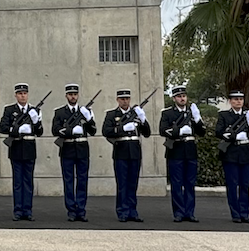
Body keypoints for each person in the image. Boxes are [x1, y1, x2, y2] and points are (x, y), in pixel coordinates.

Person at [158, 86, 205, 222]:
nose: (182, 98)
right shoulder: (167, 113)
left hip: (190, 151)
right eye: (179, 96)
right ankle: (179, 212)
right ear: (174, 98)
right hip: (176, 150)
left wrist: (198, 119)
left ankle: (190, 212)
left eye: (184, 96)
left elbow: (201, 132)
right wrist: (178, 131)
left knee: (190, 183)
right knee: (177, 183)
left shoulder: (192, 112)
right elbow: (163, 130)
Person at [52, 84, 96, 222]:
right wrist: (71, 131)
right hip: (67, 149)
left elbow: (93, 131)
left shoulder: (85, 111)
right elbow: (55, 130)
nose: (73, 96)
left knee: (82, 181)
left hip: (82, 149)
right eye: (70, 94)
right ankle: (71, 210)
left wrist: (88, 119)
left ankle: (81, 210)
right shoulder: (60, 112)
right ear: (66, 96)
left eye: (75, 94)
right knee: (69, 181)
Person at [103, 88, 149, 222]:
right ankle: (122, 211)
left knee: (133, 184)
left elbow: (146, 133)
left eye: (127, 99)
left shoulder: (136, 114)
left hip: (134, 152)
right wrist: (122, 129)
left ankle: (133, 211)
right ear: (117, 100)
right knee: (122, 184)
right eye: (122, 99)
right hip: (121, 152)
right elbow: (106, 131)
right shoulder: (112, 115)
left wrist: (143, 119)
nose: (125, 101)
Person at [0, 84, 42, 221]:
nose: (22, 95)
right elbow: (2, 127)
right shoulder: (10, 110)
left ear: (28, 95)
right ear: (15, 95)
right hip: (16, 147)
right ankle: (18, 211)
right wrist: (15, 130)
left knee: (28, 181)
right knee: (18, 182)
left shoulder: (34, 110)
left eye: (25, 93)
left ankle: (27, 211)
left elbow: (40, 132)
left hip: (29, 148)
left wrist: (36, 122)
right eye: (20, 93)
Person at [214, 90, 249, 223]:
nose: (238, 101)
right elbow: (218, 132)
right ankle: (235, 213)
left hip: (245, 152)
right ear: (230, 101)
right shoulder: (224, 115)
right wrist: (230, 135)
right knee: (232, 185)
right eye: (235, 99)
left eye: (241, 99)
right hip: (231, 152)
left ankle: (244, 213)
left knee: (245, 185)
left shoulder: (248, 115)